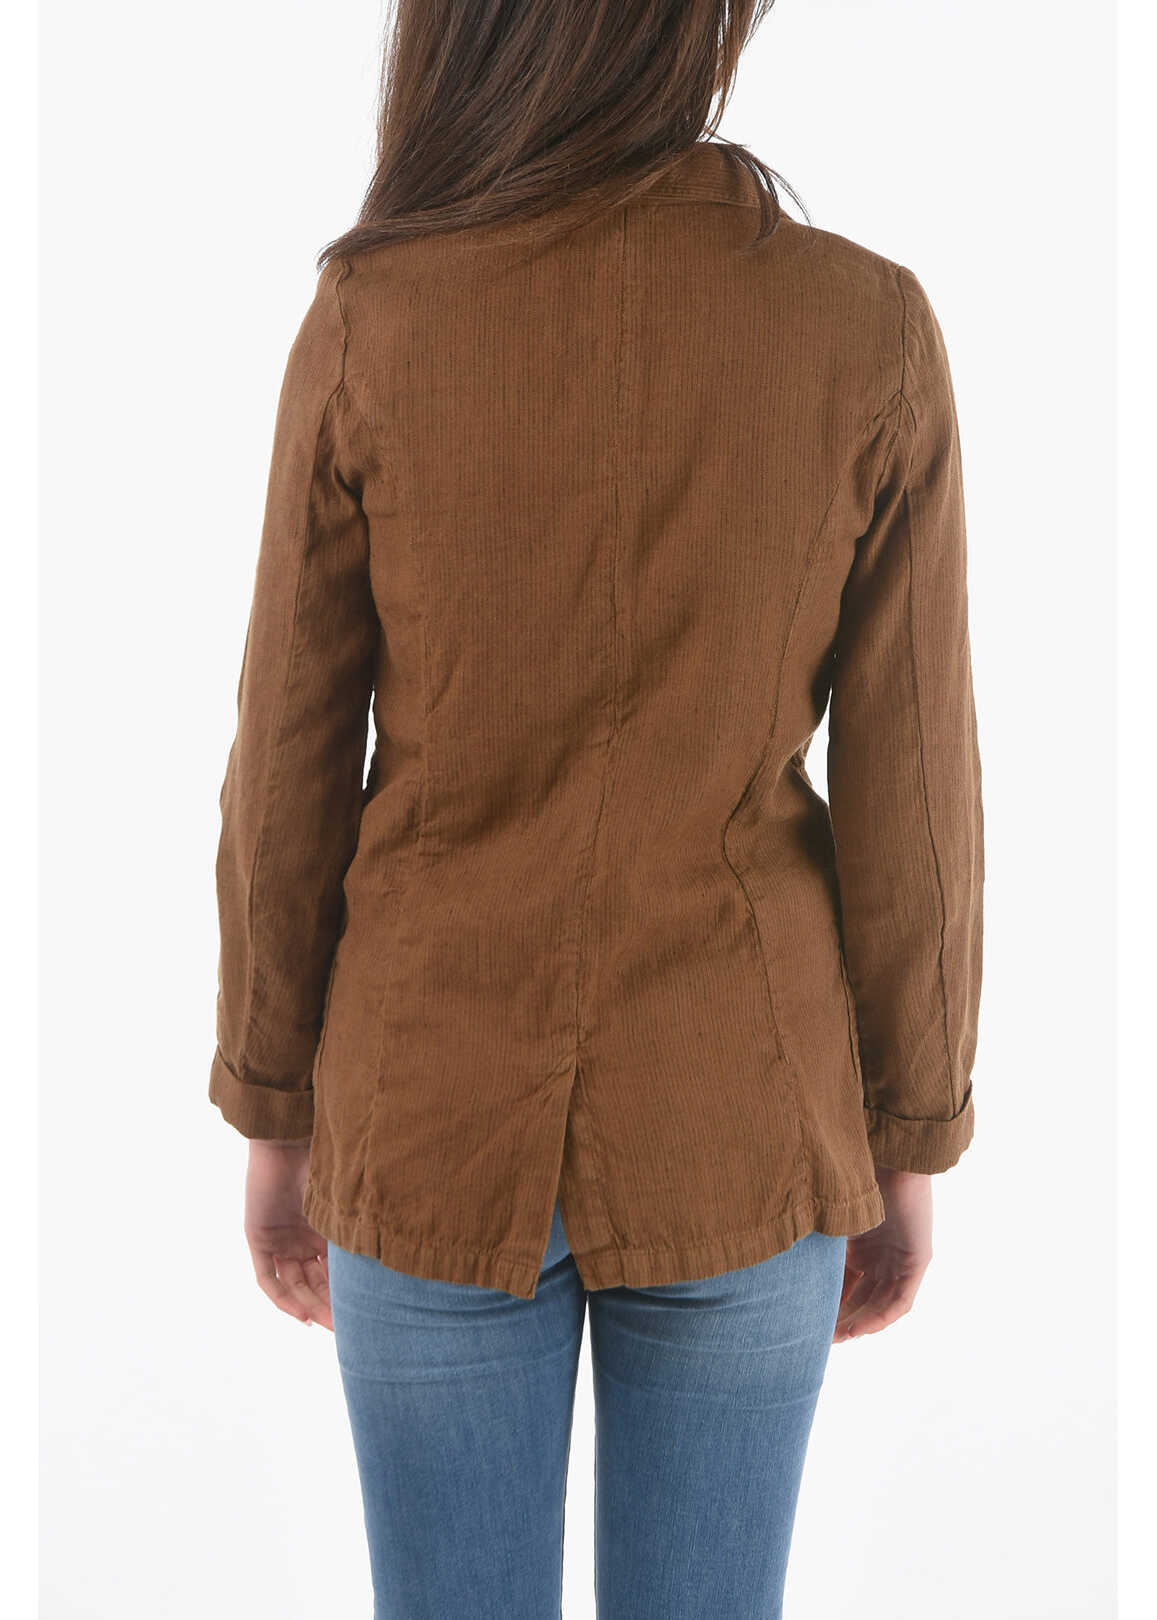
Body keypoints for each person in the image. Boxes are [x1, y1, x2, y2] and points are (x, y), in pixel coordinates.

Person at [209, 2, 983, 1614]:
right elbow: (915, 788)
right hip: (742, 1115)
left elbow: (287, 756)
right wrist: (909, 1131)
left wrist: (274, 1103)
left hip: (426, 1106)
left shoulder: (374, 313)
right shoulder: (865, 327)